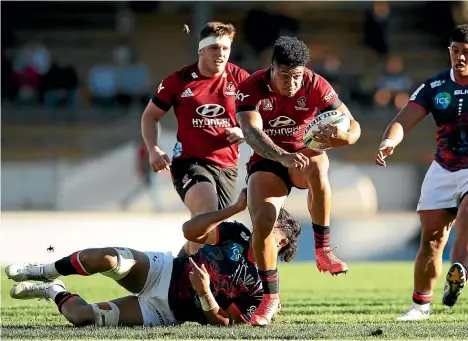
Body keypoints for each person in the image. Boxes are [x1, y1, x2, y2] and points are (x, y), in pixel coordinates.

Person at [6, 189, 301, 327]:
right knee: (108, 258)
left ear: (283, 239)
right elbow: (190, 230)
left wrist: (205, 294)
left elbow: (224, 323)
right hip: (164, 271)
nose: (259, 222)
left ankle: (52, 290)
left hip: (164, 313)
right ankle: (43, 270)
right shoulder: (235, 233)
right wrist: (233, 209)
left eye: (270, 221)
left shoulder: (263, 289)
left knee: (81, 317)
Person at [235, 36, 361, 326]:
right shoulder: (250, 88)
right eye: (285, 75)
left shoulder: (316, 84)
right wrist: (281, 156)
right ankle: (270, 299)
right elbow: (252, 133)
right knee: (264, 220)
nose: (292, 83)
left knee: (319, 161)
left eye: (297, 76)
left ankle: (323, 250)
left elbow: (353, 126)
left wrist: (346, 138)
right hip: (268, 159)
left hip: (303, 154)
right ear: (272, 68)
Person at [375, 24, 468, 321]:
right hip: (443, 167)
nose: (460, 58)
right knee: (431, 239)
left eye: (466, 52)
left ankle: (458, 269)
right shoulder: (435, 86)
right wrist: (390, 140)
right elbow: (403, 119)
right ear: (449, 51)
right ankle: (420, 307)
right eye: (455, 51)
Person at [141, 22, 250, 256]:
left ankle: (176, 276)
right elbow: (150, 116)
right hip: (190, 162)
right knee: (206, 212)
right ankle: (196, 287)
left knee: (206, 230)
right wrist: (154, 149)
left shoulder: (241, 79)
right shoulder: (179, 80)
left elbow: (259, 116)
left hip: (227, 167)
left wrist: (244, 130)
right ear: (201, 50)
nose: (220, 54)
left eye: (225, 48)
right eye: (214, 48)